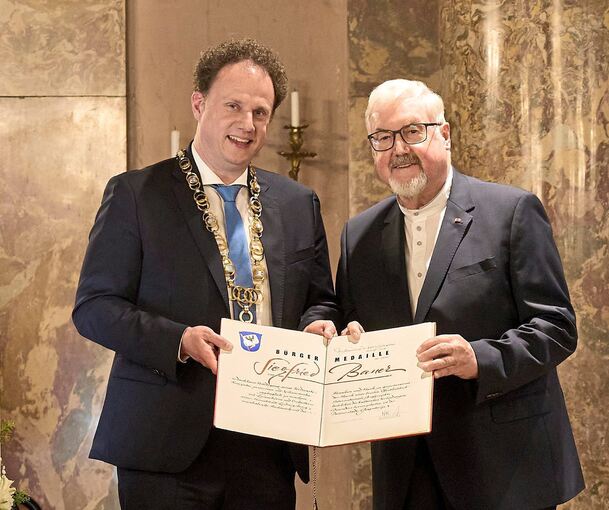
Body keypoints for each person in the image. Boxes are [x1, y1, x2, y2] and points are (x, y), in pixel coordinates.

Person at [73, 39, 340, 510]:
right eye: (233, 106)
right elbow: (94, 308)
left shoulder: (299, 204)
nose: (247, 124)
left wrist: (316, 324)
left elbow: (319, 299)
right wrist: (177, 340)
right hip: (165, 445)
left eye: (261, 112)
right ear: (199, 104)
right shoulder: (137, 194)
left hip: (267, 442)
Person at [336, 79, 584, 510]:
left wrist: (480, 359)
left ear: (444, 134)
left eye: (413, 131)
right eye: (383, 137)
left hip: (503, 467)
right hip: (405, 472)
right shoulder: (357, 235)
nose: (399, 149)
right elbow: (349, 321)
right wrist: (346, 336)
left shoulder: (511, 212)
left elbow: (558, 327)